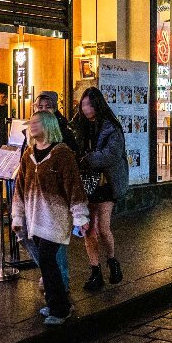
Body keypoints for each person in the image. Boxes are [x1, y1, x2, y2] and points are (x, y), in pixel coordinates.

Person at [11, 111, 89, 325]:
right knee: (46, 264)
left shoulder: (62, 154)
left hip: (56, 218)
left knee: (47, 259)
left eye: (36, 122)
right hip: (35, 218)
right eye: (31, 123)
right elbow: (20, 188)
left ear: (48, 125)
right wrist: (18, 217)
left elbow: (74, 187)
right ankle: (57, 303)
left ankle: (60, 309)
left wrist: (80, 217)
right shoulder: (28, 155)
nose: (32, 126)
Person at [71, 87, 129, 291]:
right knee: (87, 229)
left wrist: (86, 159)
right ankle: (95, 271)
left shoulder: (111, 127)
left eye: (90, 104)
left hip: (105, 183)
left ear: (98, 104)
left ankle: (112, 261)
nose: (86, 108)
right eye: (83, 104)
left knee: (102, 228)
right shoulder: (78, 125)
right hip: (86, 184)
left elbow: (111, 155)